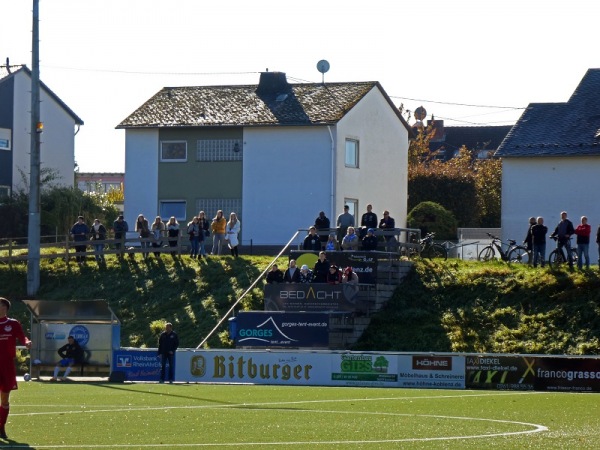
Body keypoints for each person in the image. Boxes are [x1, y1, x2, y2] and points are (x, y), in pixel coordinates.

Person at [0, 297, 31, 440]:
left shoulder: (12, 324)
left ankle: (1, 427)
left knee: (4, 398)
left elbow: (22, 337)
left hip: (6, 365)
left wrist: (27, 342)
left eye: (1, 305)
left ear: (6, 308)